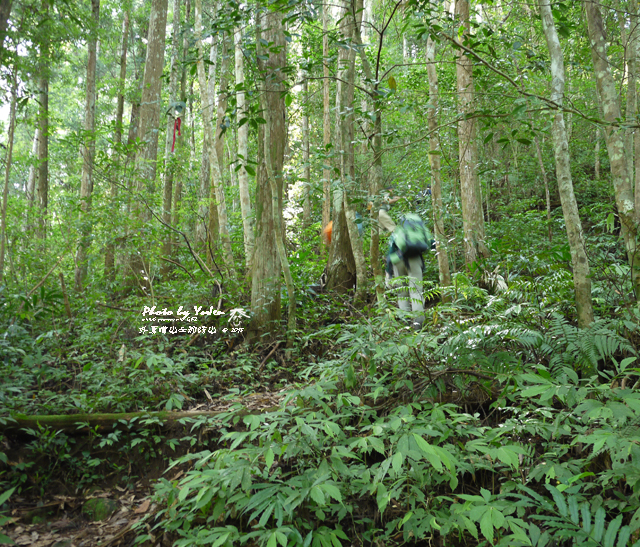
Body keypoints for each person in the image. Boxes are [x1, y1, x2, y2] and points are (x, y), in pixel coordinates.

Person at [385, 213, 433, 330]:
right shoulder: (421, 229)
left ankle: (405, 322)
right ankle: (418, 324)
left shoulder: (399, 230)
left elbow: (390, 251)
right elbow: (432, 244)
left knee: (402, 293)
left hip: (398, 261)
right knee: (416, 292)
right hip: (415, 260)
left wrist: (388, 273)